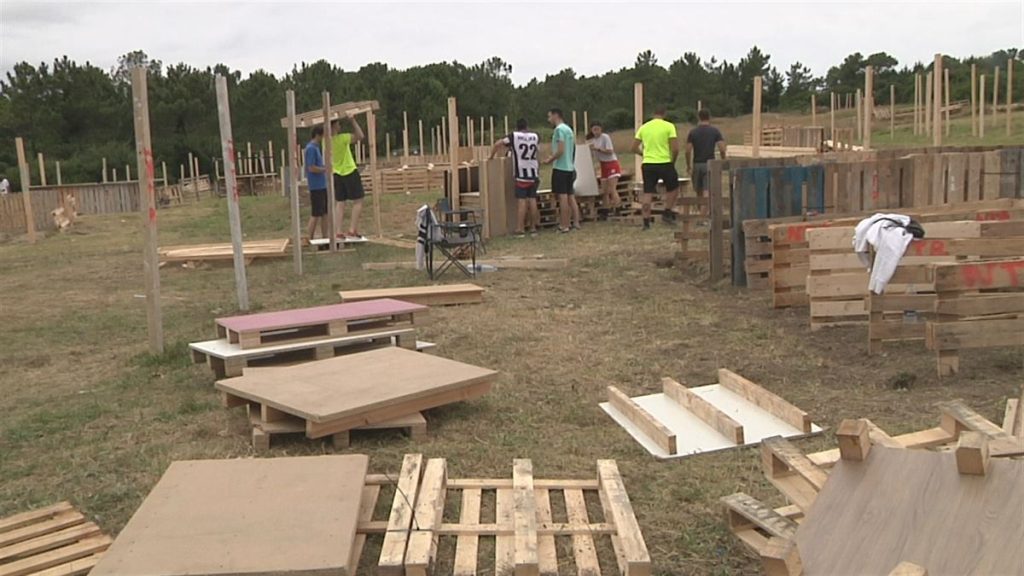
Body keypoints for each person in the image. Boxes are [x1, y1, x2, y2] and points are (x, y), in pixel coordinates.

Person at [632, 106, 680, 230]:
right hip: (664, 161)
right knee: (673, 187)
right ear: (664, 114)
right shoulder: (669, 126)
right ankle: (667, 211)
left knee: (648, 192)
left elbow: (633, 147)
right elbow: (675, 148)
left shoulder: (644, 127)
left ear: (653, 114)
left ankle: (646, 221)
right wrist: (672, 161)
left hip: (648, 163)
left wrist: (644, 154)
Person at [490, 118, 541, 237]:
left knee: (522, 201)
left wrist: (491, 156)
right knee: (532, 200)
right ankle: (533, 227)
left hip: (521, 174)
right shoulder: (535, 136)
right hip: (533, 172)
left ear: (517, 127)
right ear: (527, 126)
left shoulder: (514, 136)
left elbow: (498, 144)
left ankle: (520, 228)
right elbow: (538, 152)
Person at [542, 108, 580, 233]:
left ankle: (564, 225)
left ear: (555, 115)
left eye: (549, 116)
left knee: (562, 197)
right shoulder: (569, 129)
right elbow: (572, 148)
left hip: (561, 167)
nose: (549, 120)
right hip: (570, 167)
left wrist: (550, 159)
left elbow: (561, 149)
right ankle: (575, 222)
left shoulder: (559, 130)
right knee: (570, 196)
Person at [331, 111, 366, 240]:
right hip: (349, 171)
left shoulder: (325, 141)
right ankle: (352, 230)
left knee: (340, 202)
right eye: (338, 124)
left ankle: (338, 231)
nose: (340, 126)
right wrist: (352, 120)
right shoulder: (343, 138)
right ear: (334, 127)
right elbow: (360, 135)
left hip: (337, 173)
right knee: (358, 200)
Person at [686, 109, 727, 216]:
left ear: (698, 117)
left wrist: (688, 165)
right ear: (709, 117)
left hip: (697, 164)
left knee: (698, 190)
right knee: (707, 190)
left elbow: (688, 150)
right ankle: (703, 216)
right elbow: (722, 148)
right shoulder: (714, 131)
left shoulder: (693, 132)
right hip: (710, 163)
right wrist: (723, 160)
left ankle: (701, 213)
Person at [586, 121, 621, 215]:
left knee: (612, 188)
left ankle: (618, 208)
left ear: (601, 129)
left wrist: (597, 149)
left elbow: (610, 151)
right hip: (603, 164)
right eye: (594, 130)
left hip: (611, 163)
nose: (596, 131)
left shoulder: (605, 137)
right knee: (604, 190)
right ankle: (606, 209)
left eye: (597, 129)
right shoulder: (592, 140)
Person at [304, 126, 329, 241]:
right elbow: (311, 168)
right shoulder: (310, 149)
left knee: (324, 212)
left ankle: (325, 236)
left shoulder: (316, 148)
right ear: (318, 135)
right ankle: (309, 237)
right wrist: (324, 169)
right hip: (316, 185)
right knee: (316, 213)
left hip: (322, 184)